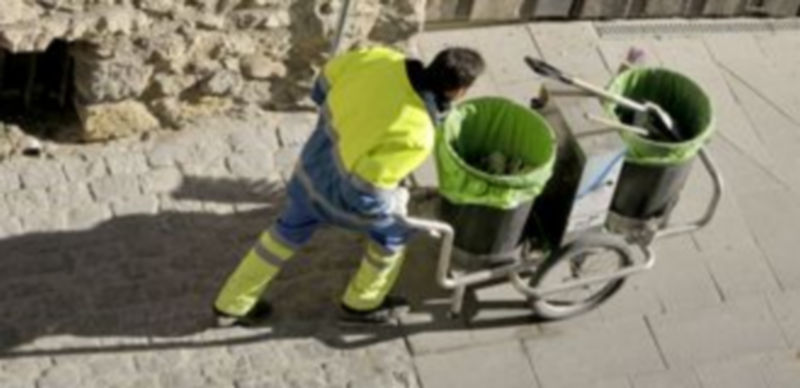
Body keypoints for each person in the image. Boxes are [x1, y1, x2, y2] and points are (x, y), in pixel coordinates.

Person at [213, 45, 485, 325]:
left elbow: (322, 85)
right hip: (338, 197)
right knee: (393, 236)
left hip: (310, 170)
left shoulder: (381, 58)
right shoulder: (417, 134)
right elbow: (367, 194)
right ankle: (362, 305)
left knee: (283, 235)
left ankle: (231, 305)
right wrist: (398, 201)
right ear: (459, 91)